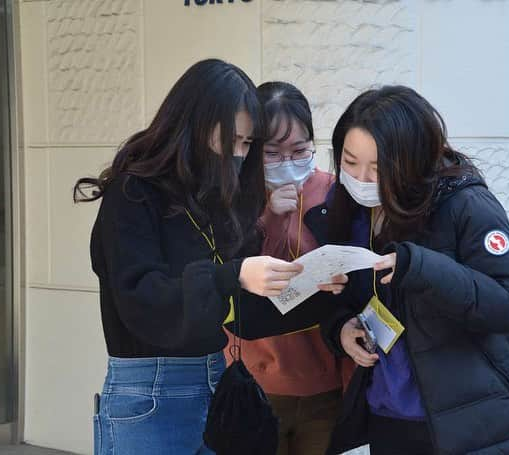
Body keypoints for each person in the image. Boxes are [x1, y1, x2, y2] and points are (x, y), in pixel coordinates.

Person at [74, 59, 345, 455]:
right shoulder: (133, 194)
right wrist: (232, 275)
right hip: (150, 392)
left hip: (214, 383)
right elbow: (141, 299)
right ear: (193, 124)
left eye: (246, 144)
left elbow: (244, 315)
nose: (237, 155)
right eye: (232, 139)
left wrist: (320, 290)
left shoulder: (209, 198)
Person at [305, 86, 509, 454]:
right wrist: (340, 328)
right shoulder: (349, 208)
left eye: (378, 167)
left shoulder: (465, 203)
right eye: (351, 162)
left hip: (465, 422)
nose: (362, 179)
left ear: (411, 161)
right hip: (389, 415)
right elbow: (345, 298)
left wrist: (419, 267)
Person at [223, 81, 354, 455]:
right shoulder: (234, 196)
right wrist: (267, 219)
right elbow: (228, 276)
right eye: (273, 153)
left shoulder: (334, 193)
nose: (288, 163)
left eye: (299, 150)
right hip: (253, 380)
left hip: (324, 381)